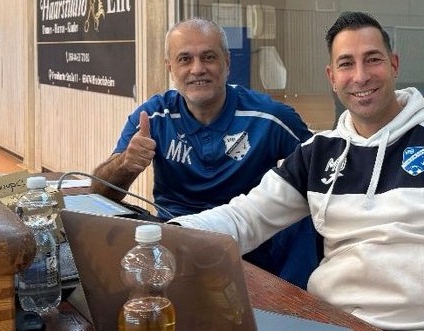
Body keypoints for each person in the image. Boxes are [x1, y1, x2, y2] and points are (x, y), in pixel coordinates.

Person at [170, 11, 424, 331]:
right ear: (332, 76)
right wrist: (168, 234)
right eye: (346, 64)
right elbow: (245, 218)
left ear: (394, 65)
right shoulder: (318, 153)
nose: (360, 76)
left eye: (372, 59)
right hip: (331, 319)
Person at [91, 18, 318, 289]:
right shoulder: (152, 117)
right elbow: (100, 192)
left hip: (251, 246)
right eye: (185, 59)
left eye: (208, 57)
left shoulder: (270, 117)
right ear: (170, 67)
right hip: (178, 243)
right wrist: (125, 164)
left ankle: (299, 300)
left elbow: (323, 170)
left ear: (227, 62)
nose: (198, 69)